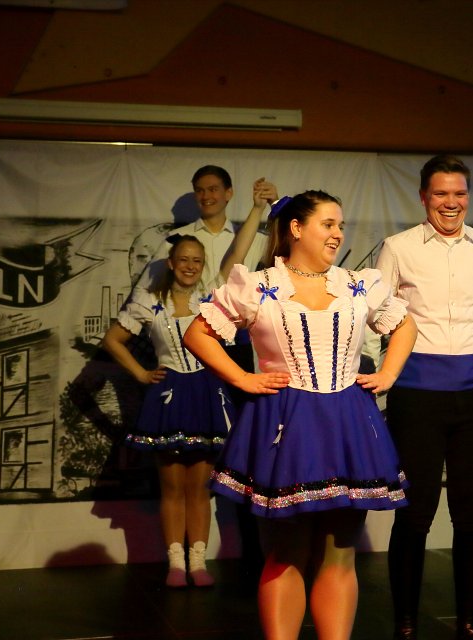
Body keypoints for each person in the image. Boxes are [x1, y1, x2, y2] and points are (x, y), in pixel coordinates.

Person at [183, 190, 417, 640]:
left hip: (347, 419)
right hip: (286, 422)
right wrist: (243, 378)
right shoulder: (259, 285)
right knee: (285, 552)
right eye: (328, 224)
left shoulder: (356, 283)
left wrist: (388, 373)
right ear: (296, 228)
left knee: (340, 552)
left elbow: (404, 325)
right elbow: (199, 334)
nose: (337, 234)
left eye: (340, 225)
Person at [102, 178, 278, 588]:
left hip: (206, 394)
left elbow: (236, 255)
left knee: (200, 488)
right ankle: (175, 565)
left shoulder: (210, 297)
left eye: (196, 260)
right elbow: (113, 339)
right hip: (169, 398)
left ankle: (198, 563)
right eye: (183, 259)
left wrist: (257, 210)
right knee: (172, 486)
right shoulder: (149, 300)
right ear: (171, 262)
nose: (189, 265)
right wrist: (141, 373)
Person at [376, 155, 473, 639]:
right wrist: (375, 380)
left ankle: (469, 622)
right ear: (424, 197)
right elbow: (376, 318)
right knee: (415, 512)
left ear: (468, 197)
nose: (451, 203)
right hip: (416, 396)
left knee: (471, 512)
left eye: (459, 193)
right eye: (441, 193)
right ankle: (406, 622)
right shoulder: (397, 248)